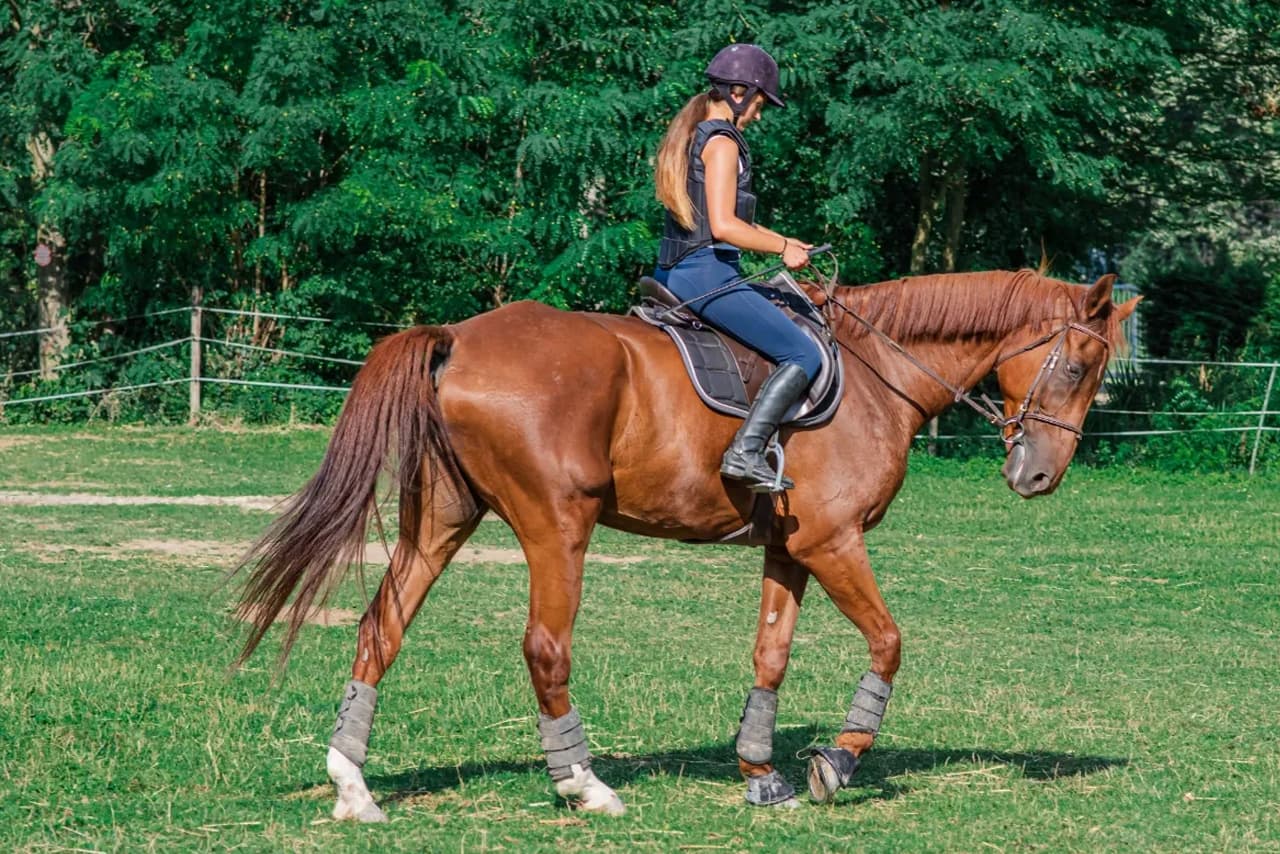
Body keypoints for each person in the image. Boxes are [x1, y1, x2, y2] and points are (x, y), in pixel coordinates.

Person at [653, 43, 823, 493]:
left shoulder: (696, 134)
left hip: (677, 269)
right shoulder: (723, 143)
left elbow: (727, 219)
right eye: (761, 104)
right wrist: (780, 246)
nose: (760, 116)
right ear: (739, 92)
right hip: (706, 272)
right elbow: (726, 227)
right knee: (805, 353)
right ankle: (745, 452)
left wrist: (784, 242)